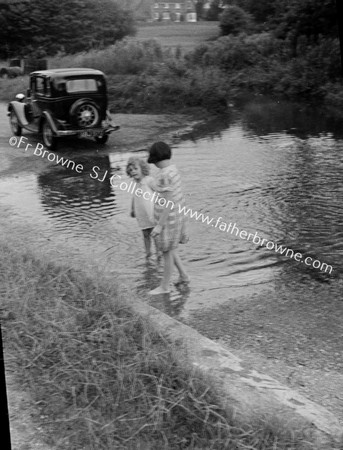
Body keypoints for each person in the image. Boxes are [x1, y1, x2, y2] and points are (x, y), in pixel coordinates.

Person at [148, 141, 189, 295]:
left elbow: (168, 202)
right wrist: (154, 185)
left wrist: (159, 225)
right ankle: (184, 276)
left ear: (156, 159)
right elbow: (170, 192)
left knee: (166, 253)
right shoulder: (172, 170)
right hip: (176, 217)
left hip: (167, 220)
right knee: (171, 249)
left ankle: (164, 287)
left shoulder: (164, 174)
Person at [126, 157, 157, 259]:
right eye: (131, 170)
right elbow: (134, 197)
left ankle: (159, 252)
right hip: (141, 212)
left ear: (142, 169)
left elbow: (158, 192)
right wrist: (132, 209)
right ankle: (148, 253)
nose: (133, 171)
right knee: (145, 233)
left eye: (135, 169)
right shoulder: (135, 183)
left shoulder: (148, 180)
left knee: (154, 233)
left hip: (151, 211)